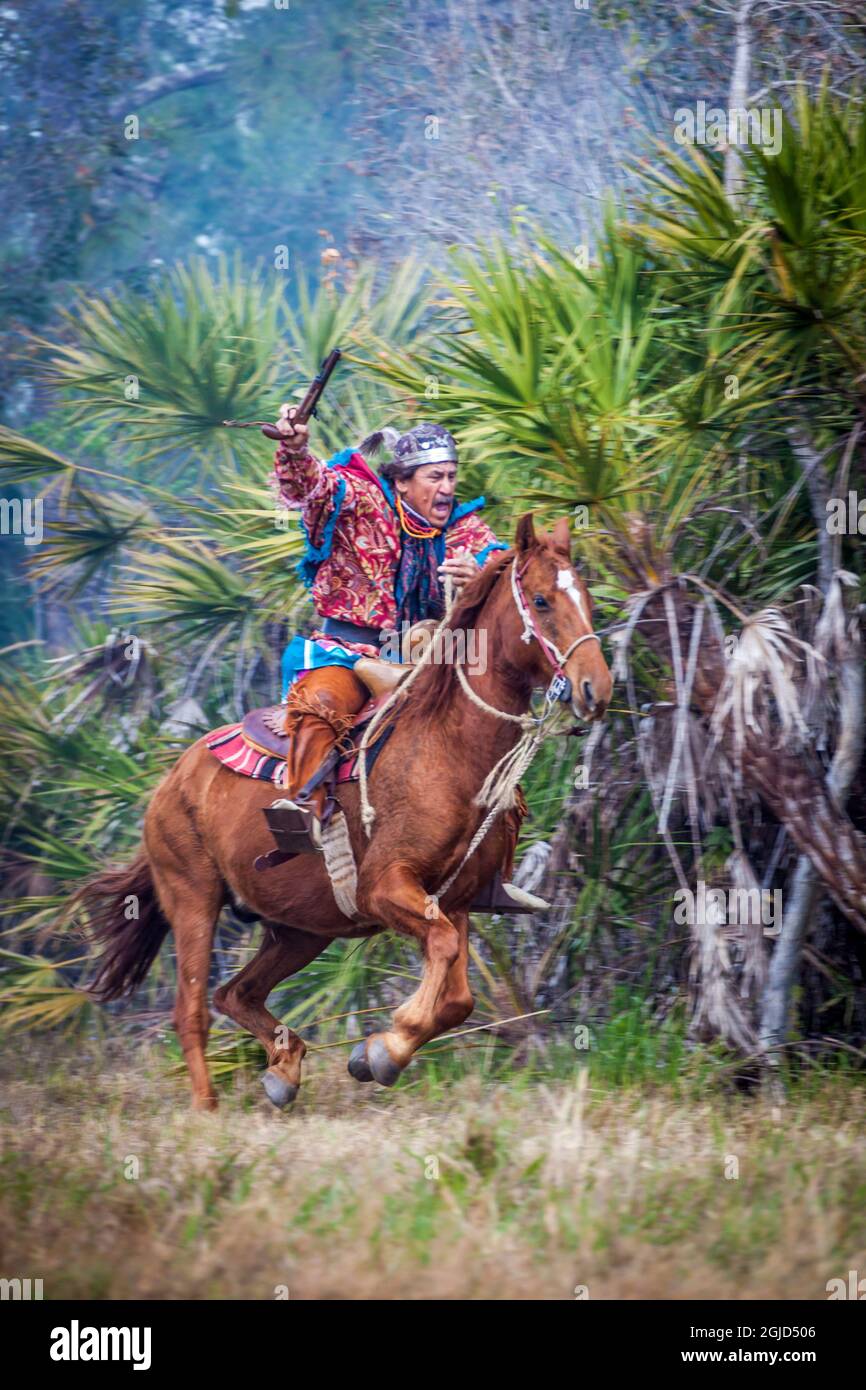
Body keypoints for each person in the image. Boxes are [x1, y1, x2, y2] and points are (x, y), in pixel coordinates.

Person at [269, 406, 543, 912]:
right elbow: (308, 486)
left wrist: (476, 578)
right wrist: (293, 446)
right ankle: (302, 806)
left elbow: (510, 571)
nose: (446, 488)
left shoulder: (463, 528)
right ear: (402, 481)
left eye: (452, 476)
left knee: (487, 733)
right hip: (347, 651)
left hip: (424, 658)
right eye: (435, 476)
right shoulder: (362, 499)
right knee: (324, 701)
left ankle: (489, 869)